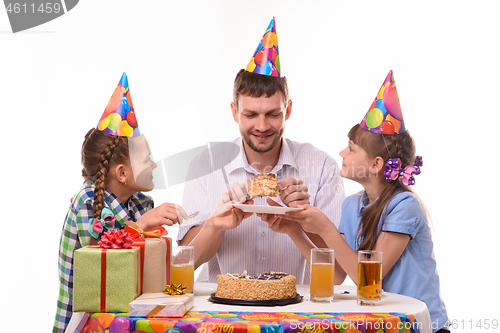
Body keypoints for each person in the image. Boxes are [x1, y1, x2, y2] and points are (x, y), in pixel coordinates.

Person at [265, 71, 449, 333]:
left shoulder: (405, 205)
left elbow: (368, 283)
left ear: (375, 164)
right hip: (383, 325)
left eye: (351, 148)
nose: (342, 153)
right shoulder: (352, 205)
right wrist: (294, 230)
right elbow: (338, 275)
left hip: (417, 326)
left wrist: (325, 227)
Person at [177, 17, 345, 284]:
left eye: (273, 114)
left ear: (288, 110)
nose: (262, 126)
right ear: (234, 112)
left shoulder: (322, 166)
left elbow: (336, 276)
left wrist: (302, 217)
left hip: (292, 312)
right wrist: (215, 223)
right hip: (222, 311)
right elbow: (184, 264)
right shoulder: (204, 164)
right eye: (251, 114)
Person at [53, 73, 187, 333]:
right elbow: (106, 269)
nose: (154, 165)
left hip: (130, 323)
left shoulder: (141, 203)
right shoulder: (87, 201)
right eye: (147, 159)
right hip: (86, 325)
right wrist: (143, 224)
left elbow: (148, 273)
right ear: (122, 173)